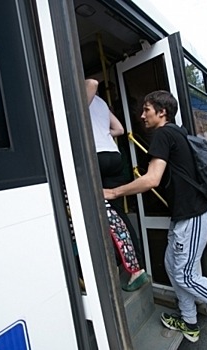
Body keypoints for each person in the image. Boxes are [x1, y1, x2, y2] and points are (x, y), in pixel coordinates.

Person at [103, 91, 207, 347]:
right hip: (185, 216)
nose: (142, 115)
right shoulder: (176, 132)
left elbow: (151, 179)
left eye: (147, 109)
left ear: (162, 112)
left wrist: (113, 192)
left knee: (185, 275)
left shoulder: (164, 134)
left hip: (194, 215)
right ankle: (189, 321)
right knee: (172, 266)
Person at [85, 79, 147, 291]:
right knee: (116, 213)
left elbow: (92, 82)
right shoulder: (101, 102)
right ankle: (133, 264)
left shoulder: (80, 92)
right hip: (113, 156)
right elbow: (119, 129)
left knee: (105, 216)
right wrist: (103, 135)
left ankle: (132, 269)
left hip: (96, 157)